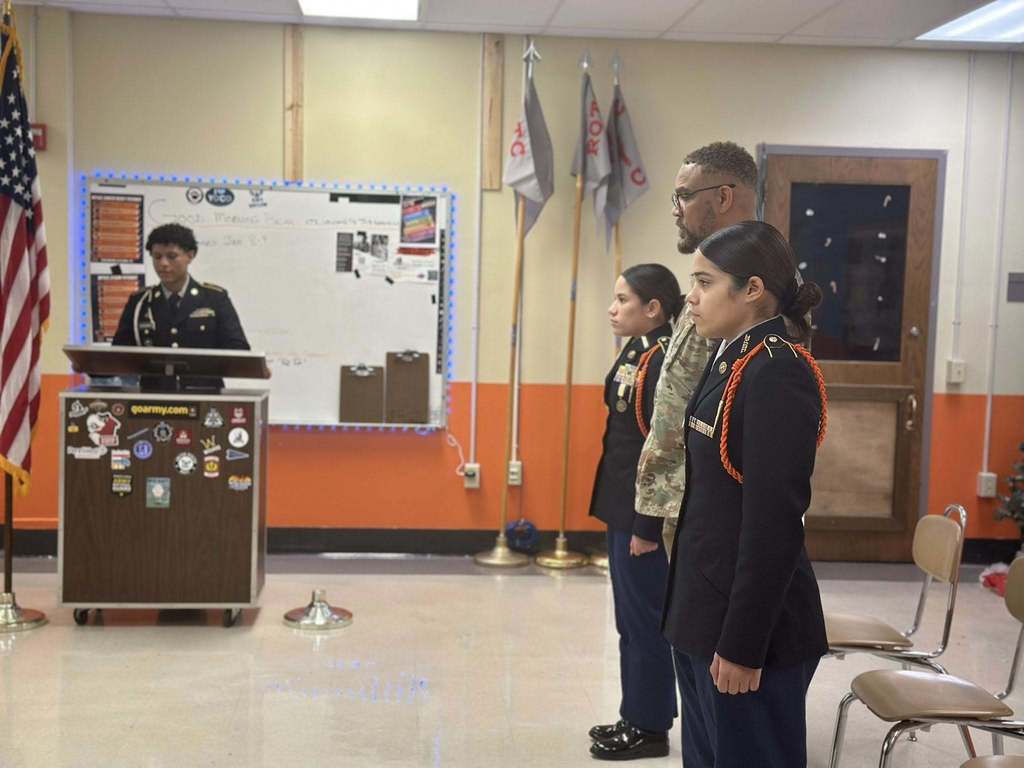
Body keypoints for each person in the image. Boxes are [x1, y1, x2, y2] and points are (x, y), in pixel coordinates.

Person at [662, 220, 828, 767]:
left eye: (705, 282)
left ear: (752, 289)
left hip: (748, 628)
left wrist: (743, 642)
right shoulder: (732, 354)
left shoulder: (777, 371)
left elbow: (774, 525)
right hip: (705, 610)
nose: (692, 296)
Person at [635, 141, 758, 553]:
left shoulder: (758, 282)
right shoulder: (714, 270)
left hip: (719, 512)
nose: (676, 208)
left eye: (685, 196)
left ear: (723, 197)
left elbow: (749, 409)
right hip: (683, 502)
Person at [587, 264, 682, 761]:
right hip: (622, 506)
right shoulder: (640, 349)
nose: (613, 308)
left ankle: (647, 727)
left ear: (653, 309)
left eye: (623, 299)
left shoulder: (664, 359)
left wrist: (647, 526)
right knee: (630, 618)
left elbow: (661, 449)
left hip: (640, 517)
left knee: (643, 620)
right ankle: (639, 713)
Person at [113, 223, 249, 352]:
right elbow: (117, 356)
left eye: (172, 256)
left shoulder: (215, 298)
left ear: (190, 255)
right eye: (157, 257)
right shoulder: (139, 302)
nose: (163, 263)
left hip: (201, 376)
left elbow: (239, 350)